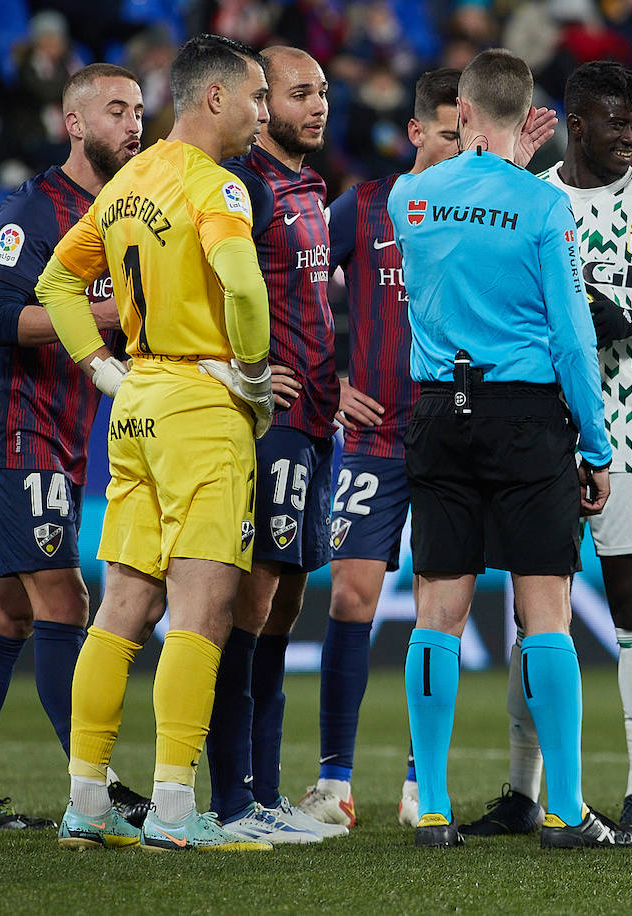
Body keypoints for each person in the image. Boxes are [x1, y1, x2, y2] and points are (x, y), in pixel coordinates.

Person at [458, 59, 632, 841]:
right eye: (617, 121)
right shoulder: (530, 198)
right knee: (535, 615)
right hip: (539, 434)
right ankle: (522, 790)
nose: (630, 134)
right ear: (576, 124)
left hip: (631, 434)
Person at [33, 33, 277, 853]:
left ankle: (86, 804)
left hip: (136, 403)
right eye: (256, 97)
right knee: (202, 610)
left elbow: (57, 283)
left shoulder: (127, 182)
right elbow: (242, 285)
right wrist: (253, 375)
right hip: (202, 407)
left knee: (122, 610)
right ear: (214, 97)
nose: (263, 113)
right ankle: (174, 812)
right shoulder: (217, 185)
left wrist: (101, 370)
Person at [390, 48, 632, 850]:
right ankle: (563, 809)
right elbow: (571, 336)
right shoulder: (543, 206)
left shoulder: (407, 198)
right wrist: (595, 444)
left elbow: (464, 210)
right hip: (525, 417)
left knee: (437, 612)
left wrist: (496, 164)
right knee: (544, 610)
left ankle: (432, 809)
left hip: (439, 410)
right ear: (527, 114)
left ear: (461, 111)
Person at [0, 63, 149, 834]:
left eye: (138, 109)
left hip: (62, 434)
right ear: (74, 123)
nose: (133, 123)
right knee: (65, 599)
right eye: (115, 110)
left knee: (8, 612)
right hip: (16, 427)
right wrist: (106, 314)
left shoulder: (124, 210)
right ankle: (95, 790)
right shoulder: (34, 206)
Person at [294, 67, 463, 830]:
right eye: (450, 136)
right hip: (374, 436)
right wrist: (326, 382)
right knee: (350, 596)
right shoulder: (364, 206)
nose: (462, 150)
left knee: (439, 609)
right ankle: (334, 782)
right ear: (417, 131)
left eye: (472, 138)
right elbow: (296, 285)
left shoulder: (482, 211)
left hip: (452, 435)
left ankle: (423, 780)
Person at [203, 45, 346, 845]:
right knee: (251, 603)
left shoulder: (310, 186)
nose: (316, 105)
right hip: (272, 422)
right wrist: (240, 369)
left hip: (317, 419)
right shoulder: (243, 187)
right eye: (299, 93)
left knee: (285, 604)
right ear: (262, 109)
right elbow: (200, 286)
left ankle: (263, 791)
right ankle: (232, 801)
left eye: (322, 91)